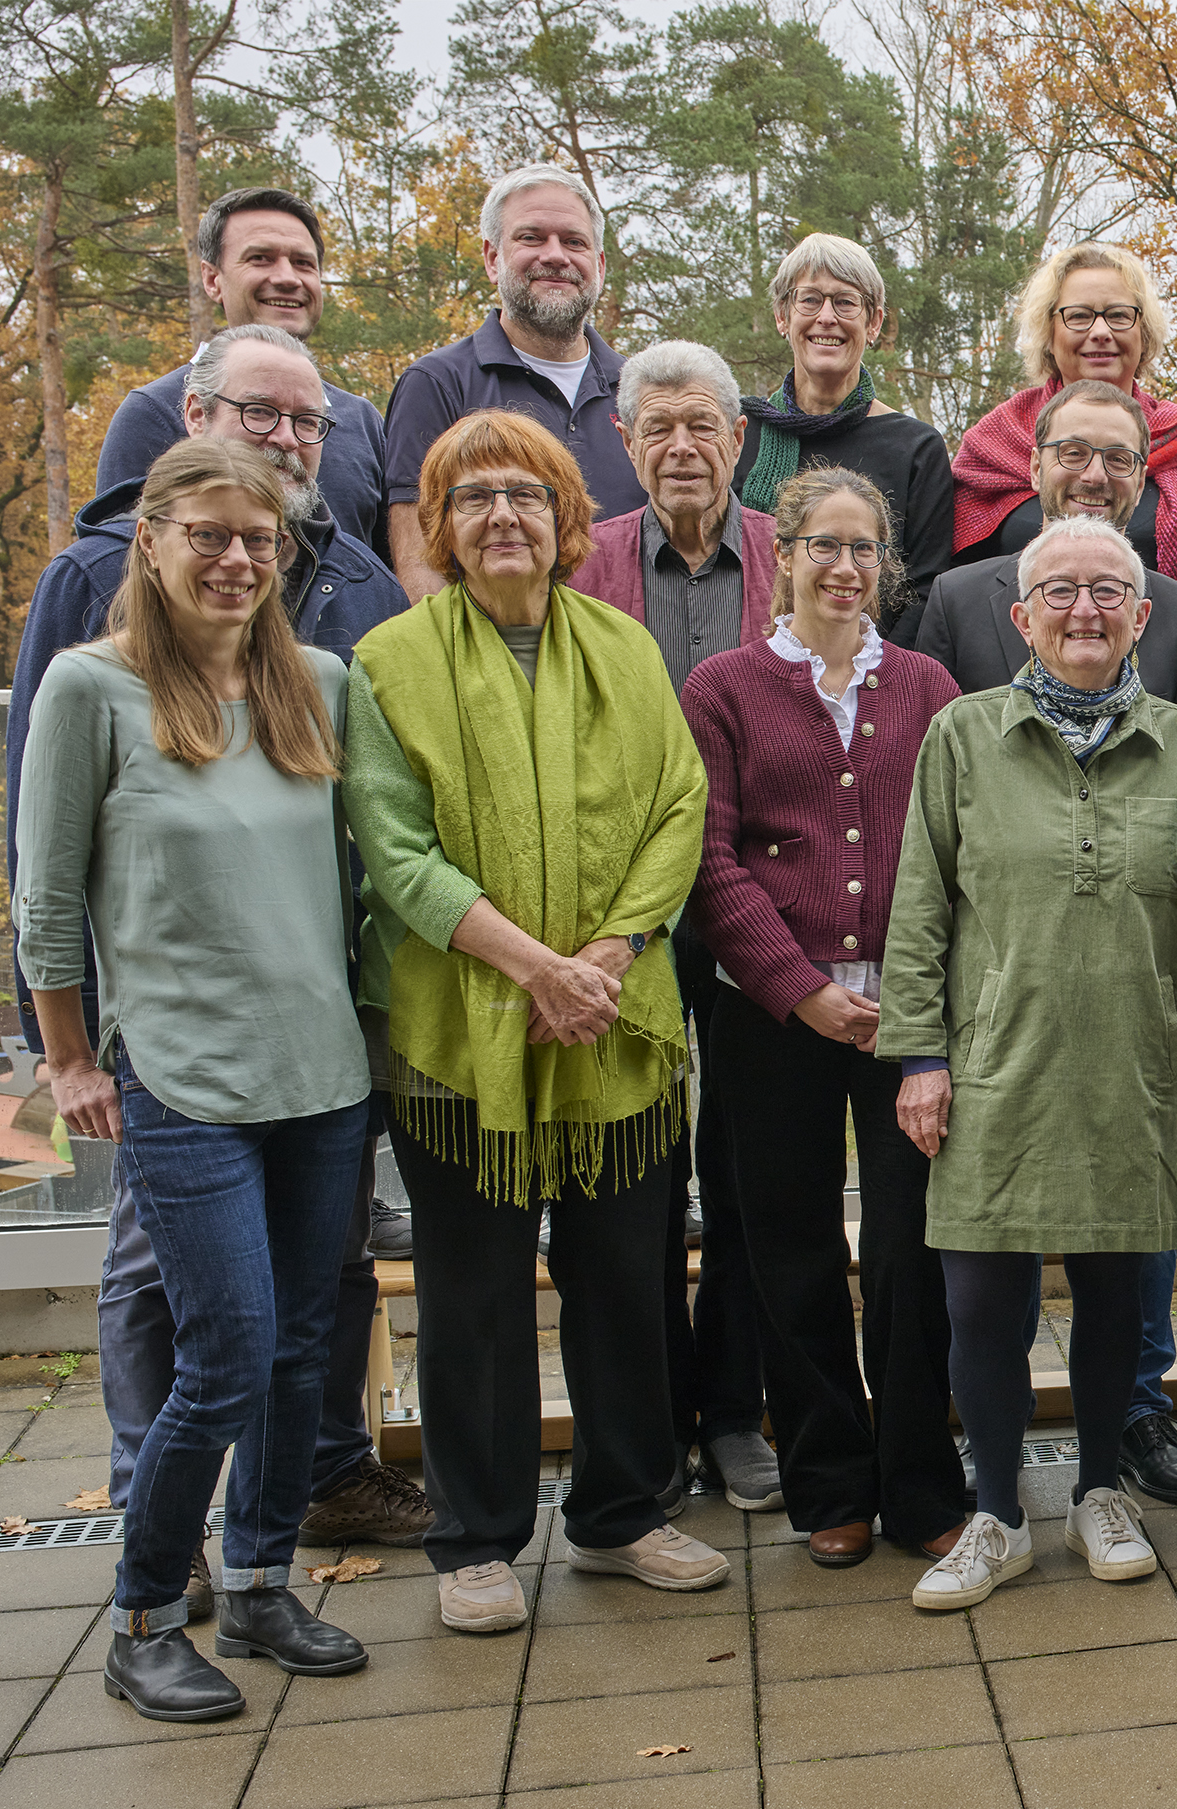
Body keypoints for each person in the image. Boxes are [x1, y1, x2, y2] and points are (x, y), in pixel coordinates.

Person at [6, 326, 424, 1603]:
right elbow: (44, 896)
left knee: (300, 1354)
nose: (238, 561)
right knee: (227, 1352)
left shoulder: (321, 684)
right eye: (210, 537)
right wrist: (66, 1058)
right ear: (153, 541)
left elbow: (380, 869)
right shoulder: (92, 689)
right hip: (181, 1077)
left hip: (322, 1076)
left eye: (259, 543)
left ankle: (257, 1587)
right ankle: (147, 1607)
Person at [345, 410, 717, 1632]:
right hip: (459, 1040)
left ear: (566, 522)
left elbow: (677, 807)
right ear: (440, 528)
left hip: (616, 1023)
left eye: (526, 495)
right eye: (473, 497)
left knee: (626, 1283)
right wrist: (535, 969)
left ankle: (622, 1514)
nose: (502, 515)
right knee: (474, 1299)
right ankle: (476, 1538)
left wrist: (603, 959)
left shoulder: (624, 646)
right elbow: (394, 849)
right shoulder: (389, 663)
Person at [882, 516, 1177, 1609]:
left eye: (1106, 592)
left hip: (1136, 1062)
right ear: (1020, 616)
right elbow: (920, 907)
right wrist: (919, 1054)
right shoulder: (961, 736)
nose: (1084, 609)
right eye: (1060, 592)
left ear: (1141, 615)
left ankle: (1098, 1492)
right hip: (996, 1064)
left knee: (1119, 1294)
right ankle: (996, 1513)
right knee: (981, 1301)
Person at [685, 468, 964, 1567]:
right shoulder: (723, 687)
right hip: (769, 1015)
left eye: (864, 550)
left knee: (910, 1250)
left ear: (883, 567)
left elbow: (956, 845)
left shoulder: (928, 686)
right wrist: (799, 987)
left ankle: (922, 1483)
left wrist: (916, 998)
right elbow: (707, 858)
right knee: (787, 1248)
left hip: (909, 1011)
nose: (844, 568)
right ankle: (827, 1484)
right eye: (824, 546)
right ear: (784, 555)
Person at [565, 338, 782, 1513]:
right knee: (635, 1181)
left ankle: (737, 1410)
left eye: (704, 425)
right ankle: (651, 1421)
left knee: (746, 1168)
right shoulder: (581, 563)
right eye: (660, 428)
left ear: (738, 438)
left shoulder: (790, 557)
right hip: (620, 914)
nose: (684, 447)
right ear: (625, 441)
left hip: (756, 902)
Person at [910, 379, 1177, 738]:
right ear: (1036, 468)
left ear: (1141, 482)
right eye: (1074, 453)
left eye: (1118, 459)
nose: (1095, 475)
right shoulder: (956, 602)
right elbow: (930, 755)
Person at [383, 165, 645, 600]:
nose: (556, 255)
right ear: (493, 259)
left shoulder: (640, 390)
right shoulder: (437, 384)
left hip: (628, 640)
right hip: (488, 641)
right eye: (531, 238)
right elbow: (420, 560)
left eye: (574, 242)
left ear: (599, 265)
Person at [96, 187, 389, 558]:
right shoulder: (152, 412)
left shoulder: (361, 420)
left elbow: (383, 571)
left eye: (303, 263)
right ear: (212, 280)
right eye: (261, 258)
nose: (288, 278)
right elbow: (117, 571)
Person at [950, 241, 1177, 590]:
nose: (1101, 332)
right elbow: (956, 584)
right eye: (1079, 316)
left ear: (1143, 332)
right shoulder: (995, 441)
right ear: (1049, 333)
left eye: (1119, 315)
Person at [734, 234, 954, 604]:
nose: (826, 317)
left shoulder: (916, 448)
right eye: (809, 299)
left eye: (845, 302)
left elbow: (924, 590)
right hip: (747, 638)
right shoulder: (739, 431)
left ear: (874, 322)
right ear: (782, 316)